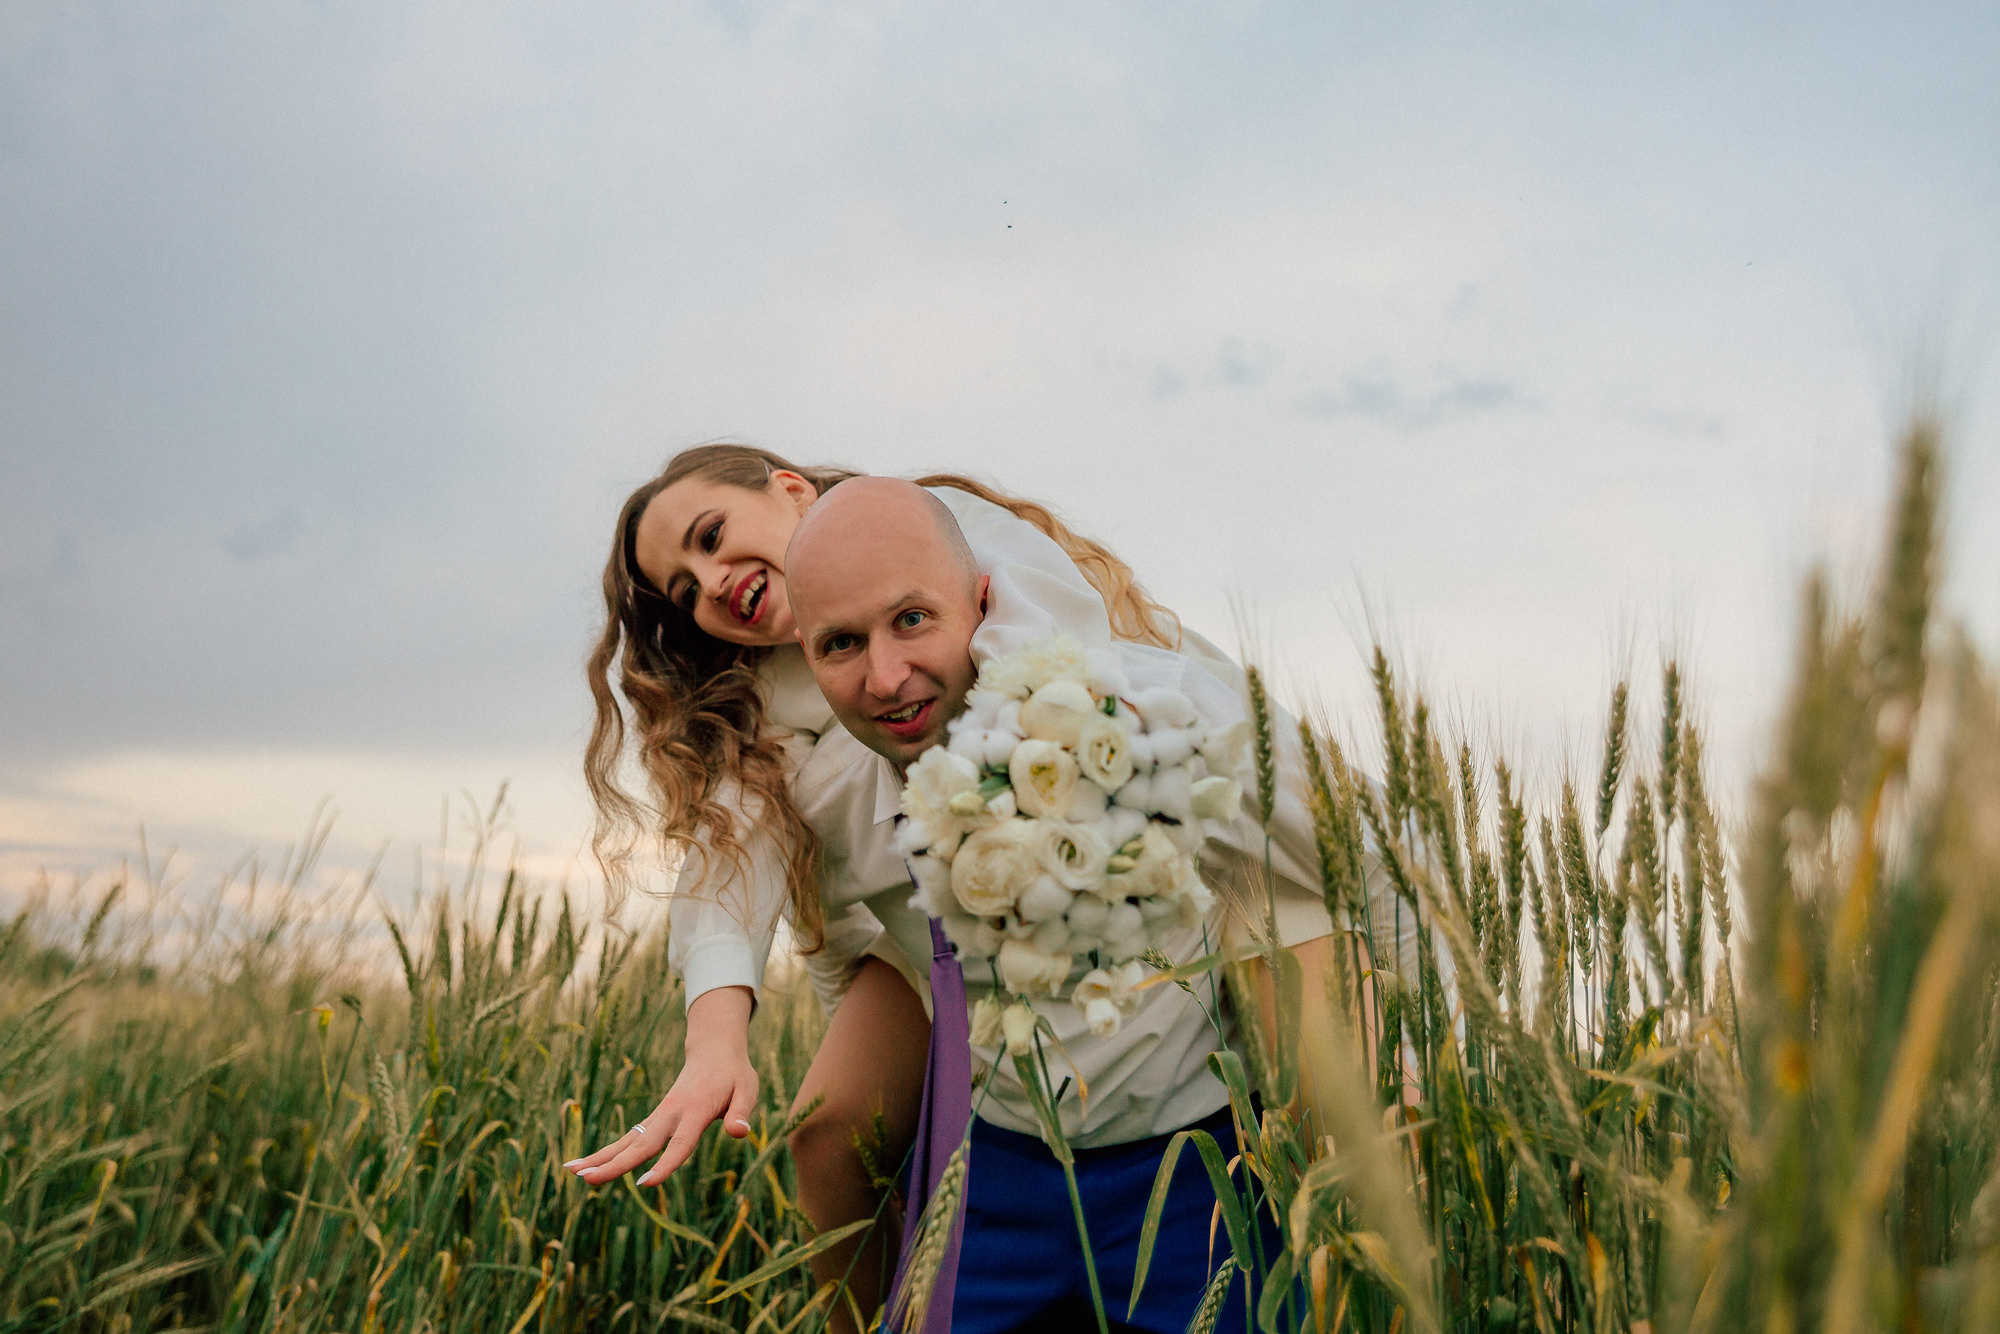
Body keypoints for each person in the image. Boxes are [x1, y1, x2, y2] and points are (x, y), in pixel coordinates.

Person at [564, 444, 1181, 1329]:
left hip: (1069, 887)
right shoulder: (753, 700)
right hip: (902, 943)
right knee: (826, 1132)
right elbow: (729, 858)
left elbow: (1041, 640)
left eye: (710, 536)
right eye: (686, 590)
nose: (711, 582)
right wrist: (715, 1040)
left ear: (788, 489)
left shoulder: (929, 532)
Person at [783, 478, 1386, 1333]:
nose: (886, 675)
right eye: (842, 644)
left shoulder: (1153, 717)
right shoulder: (834, 810)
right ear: (805, 658)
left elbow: (1367, 853)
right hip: (992, 1179)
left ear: (982, 605)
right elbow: (834, 947)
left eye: (912, 620)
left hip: (1191, 1172)